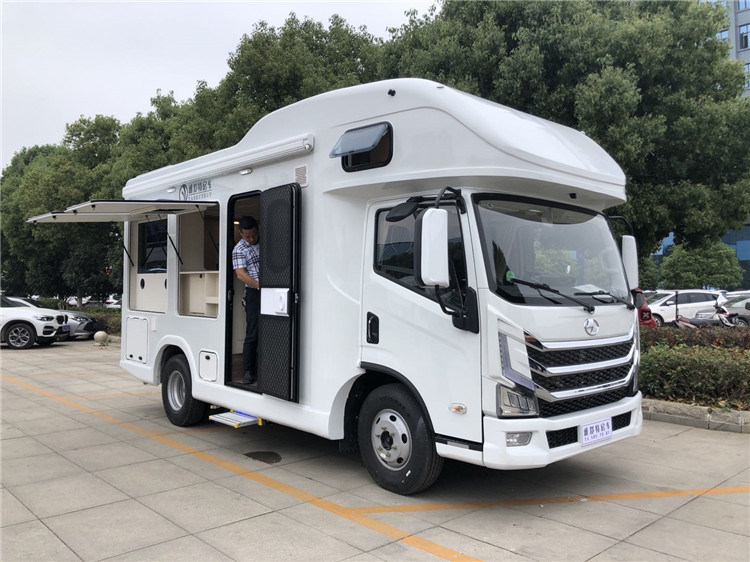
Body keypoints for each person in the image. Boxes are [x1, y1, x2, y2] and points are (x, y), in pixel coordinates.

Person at [232, 216, 260, 385]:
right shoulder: (239, 249)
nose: (252, 238)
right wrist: (260, 286)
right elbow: (241, 274)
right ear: (241, 233)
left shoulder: (266, 242)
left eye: (254, 234)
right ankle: (248, 372)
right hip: (254, 293)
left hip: (272, 290)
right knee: (253, 333)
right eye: (247, 236)